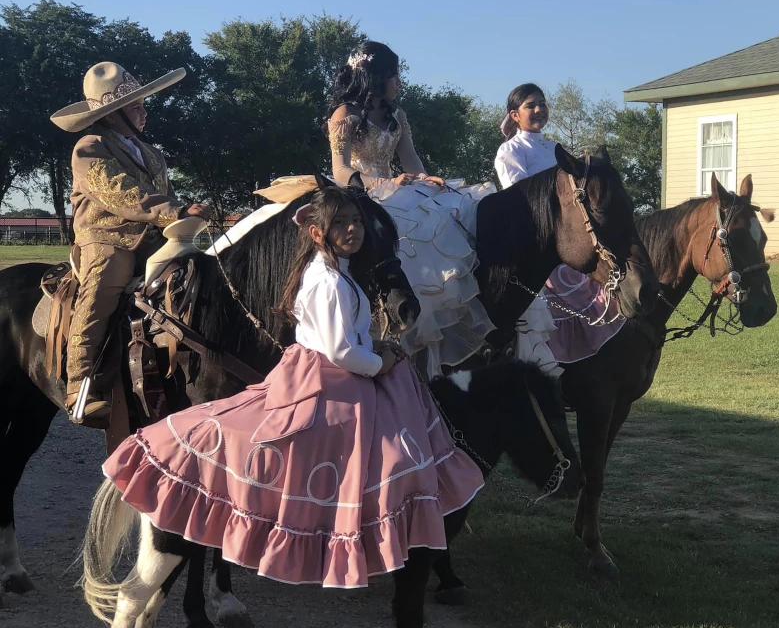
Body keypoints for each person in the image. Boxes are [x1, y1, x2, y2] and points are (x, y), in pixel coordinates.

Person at [103, 187, 483, 587]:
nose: (353, 229)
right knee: (376, 448)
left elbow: (341, 338)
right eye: (340, 223)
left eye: (355, 221)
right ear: (317, 234)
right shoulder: (328, 282)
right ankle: (87, 370)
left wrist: (374, 347)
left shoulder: (337, 272)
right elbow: (339, 351)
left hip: (329, 367)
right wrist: (380, 362)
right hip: (331, 375)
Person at [50, 62, 209, 424]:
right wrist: (176, 209)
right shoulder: (89, 148)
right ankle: (82, 383)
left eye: (141, 103)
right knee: (104, 283)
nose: (143, 110)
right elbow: (121, 194)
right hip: (106, 236)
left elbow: (165, 195)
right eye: (136, 105)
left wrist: (188, 214)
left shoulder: (151, 154)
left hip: (151, 236)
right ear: (112, 114)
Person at [327, 41, 494, 377]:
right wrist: (380, 184)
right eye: (394, 75)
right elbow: (340, 171)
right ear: (374, 77)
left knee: (455, 209)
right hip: (362, 195)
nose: (399, 82)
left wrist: (423, 177)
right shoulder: (345, 115)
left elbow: (411, 161)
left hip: (400, 188)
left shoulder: (397, 115)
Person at [494, 83, 625, 375]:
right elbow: (521, 199)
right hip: (537, 239)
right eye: (531, 105)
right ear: (515, 115)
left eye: (542, 103)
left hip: (568, 237)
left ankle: (595, 368)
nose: (540, 110)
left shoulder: (555, 148)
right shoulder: (510, 151)